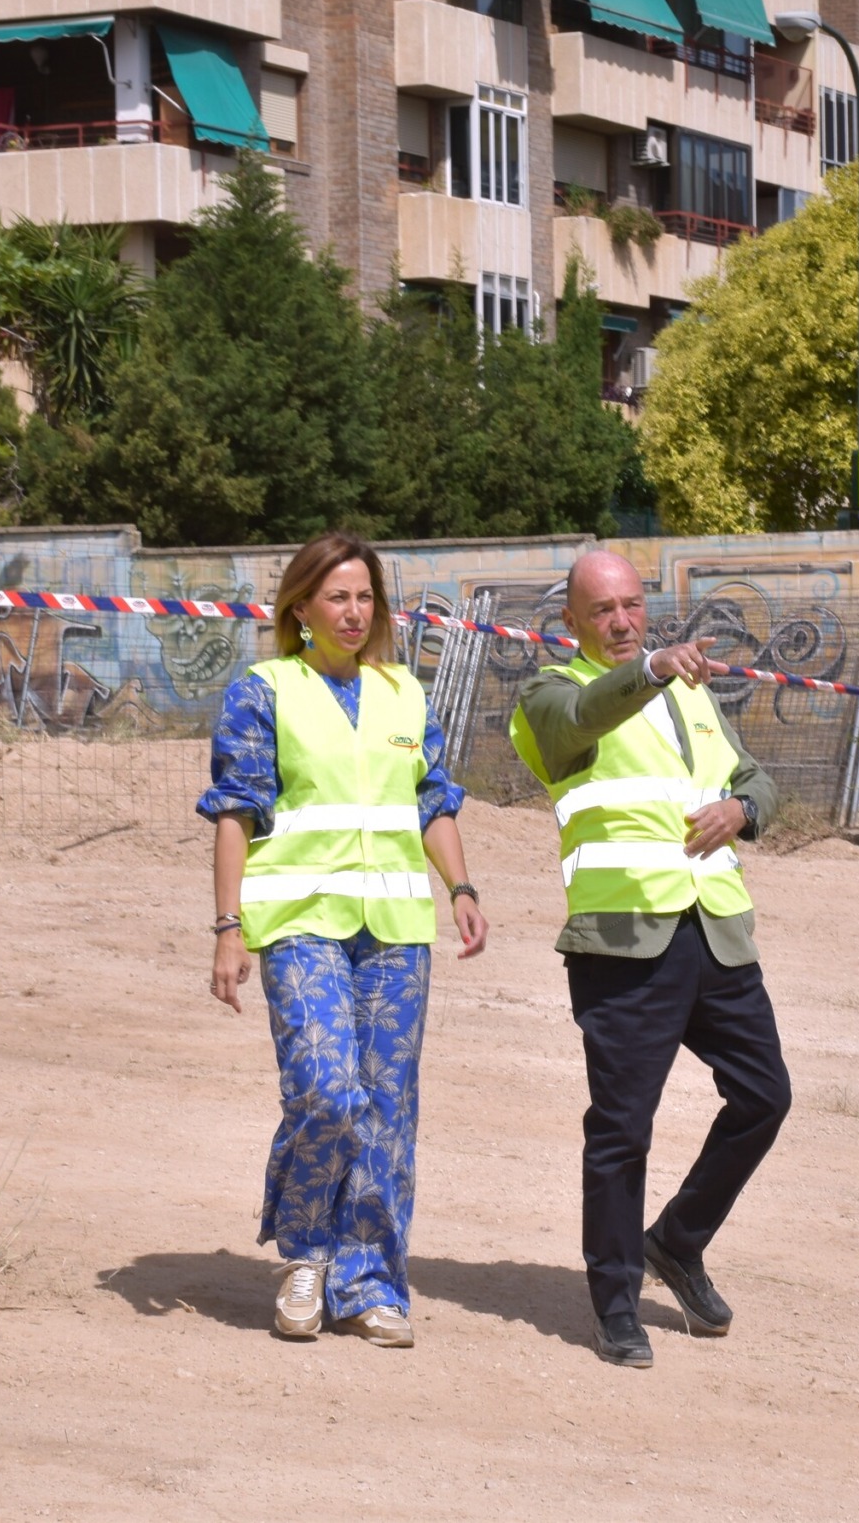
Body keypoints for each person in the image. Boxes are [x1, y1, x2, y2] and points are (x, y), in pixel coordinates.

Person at [200, 530, 488, 1347]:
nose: (354, 611)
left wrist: (461, 887)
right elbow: (235, 811)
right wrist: (227, 928)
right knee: (327, 1090)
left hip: (395, 930)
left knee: (388, 1109)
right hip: (300, 924)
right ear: (301, 606)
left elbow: (432, 800)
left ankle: (370, 1283)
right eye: (338, 596)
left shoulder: (404, 693)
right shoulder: (263, 691)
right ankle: (307, 1253)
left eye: (365, 596)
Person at [509, 551, 792, 1369]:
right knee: (623, 1128)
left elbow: (756, 777)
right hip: (623, 941)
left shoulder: (690, 693)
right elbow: (584, 715)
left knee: (765, 1096)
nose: (622, 621)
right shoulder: (549, 697)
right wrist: (653, 670)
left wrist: (742, 807)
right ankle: (615, 1301)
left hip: (716, 930)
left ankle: (676, 1239)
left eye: (632, 604)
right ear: (571, 621)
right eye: (603, 610)